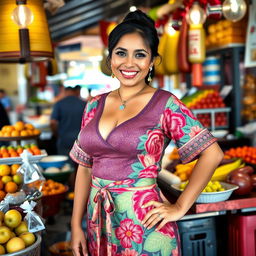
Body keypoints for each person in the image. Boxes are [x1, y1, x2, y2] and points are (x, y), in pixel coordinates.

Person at [69, 10, 224, 256]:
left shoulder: (166, 104)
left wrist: (181, 206)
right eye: (121, 53)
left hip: (144, 224)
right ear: (110, 58)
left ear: (151, 61)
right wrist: (75, 224)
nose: (129, 63)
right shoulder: (93, 105)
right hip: (99, 221)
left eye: (140, 55)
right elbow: (85, 167)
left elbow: (212, 154)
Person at [50, 85, 86, 158]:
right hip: (81, 140)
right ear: (75, 92)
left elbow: (53, 122)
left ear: (65, 92)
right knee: (80, 166)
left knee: (65, 165)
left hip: (64, 140)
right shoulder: (84, 103)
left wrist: (56, 134)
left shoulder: (59, 104)